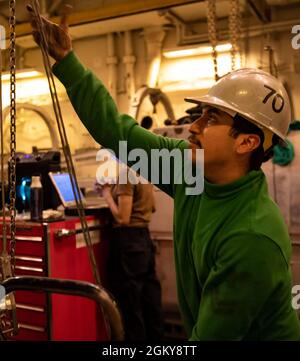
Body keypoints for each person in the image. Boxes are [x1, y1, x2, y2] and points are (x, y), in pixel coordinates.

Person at [27, 6, 300, 340]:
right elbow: (119, 133)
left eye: (211, 118)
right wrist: (67, 60)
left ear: (246, 142)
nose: (193, 127)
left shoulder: (252, 236)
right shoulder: (191, 172)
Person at [95, 164, 163, 341]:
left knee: (131, 305)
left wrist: (108, 195)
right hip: (144, 240)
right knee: (150, 302)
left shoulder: (127, 175)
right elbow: (152, 207)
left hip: (128, 241)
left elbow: (123, 218)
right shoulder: (146, 173)